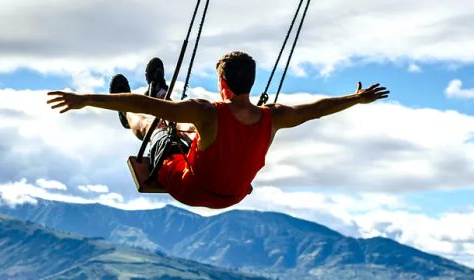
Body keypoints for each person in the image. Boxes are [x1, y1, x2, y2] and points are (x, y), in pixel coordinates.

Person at [47, 51, 389, 209]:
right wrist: (355, 99)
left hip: (192, 188)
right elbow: (316, 110)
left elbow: (147, 107)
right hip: (234, 195)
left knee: (154, 127)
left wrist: (86, 99)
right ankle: (161, 94)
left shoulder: (207, 111)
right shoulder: (275, 116)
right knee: (188, 131)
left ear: (221, 82)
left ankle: (123, 114)